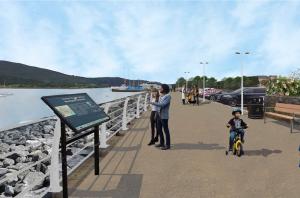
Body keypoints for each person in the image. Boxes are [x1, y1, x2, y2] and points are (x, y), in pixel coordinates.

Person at [151, 84, 172, 150]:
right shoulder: (161, 96)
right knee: (159, 129)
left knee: (166, 130)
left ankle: (168, 145)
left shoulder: (168, 96)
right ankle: (162, 143)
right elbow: (158, 106)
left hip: (164, 116)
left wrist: (153, 103)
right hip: (158, 115)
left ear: (164, 89)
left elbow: (162, 105)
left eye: (161, 88)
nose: (160, 89)